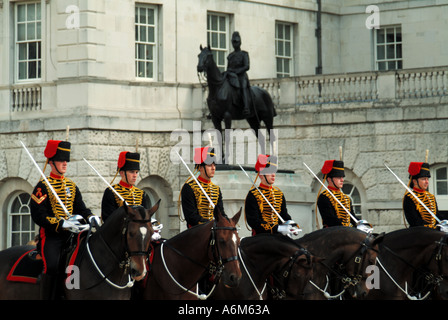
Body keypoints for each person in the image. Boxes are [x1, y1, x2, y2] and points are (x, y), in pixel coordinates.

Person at [30, 140, 98, 299]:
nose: (65, 163)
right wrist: (61, 223)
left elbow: (81, 207)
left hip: (72, 235)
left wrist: (90, 216)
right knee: (52, 266)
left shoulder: (72, 186)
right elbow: (38, 215)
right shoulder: (43, 186)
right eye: (61, 160)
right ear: (51, 162)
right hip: (52, 236)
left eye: (66, 160)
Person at [245, 154, 300, 237]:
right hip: (261, 236)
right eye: (270, 172)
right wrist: (278, 228)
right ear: (261, 175)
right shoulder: (253, 195)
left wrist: (292, 226)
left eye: (274, 171)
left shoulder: (279, 193)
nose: (273, 175)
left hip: (279, 236)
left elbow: (284, 215)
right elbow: (253, 221)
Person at [180, 147, 226, 228]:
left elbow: (221, 213)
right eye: (209, 165)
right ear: (200, 167)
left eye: (214, 165)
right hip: (196, 231)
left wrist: (227, 222)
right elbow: (191, 217)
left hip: (214, 229)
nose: (213, 168)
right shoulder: (189, 188)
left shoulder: (216, 189)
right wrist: (210, 223)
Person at [101, 151, 150, 222]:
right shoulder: (111, 192)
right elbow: (108, 219)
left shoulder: (141, 194)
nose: (135, 175)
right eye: (132, 172)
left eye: (136, 172)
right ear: (122, 173)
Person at [317, 160, 356, 228]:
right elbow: (330, 220)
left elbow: (352, 217)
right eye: (338, 177)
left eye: (342, 177)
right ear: (329, 179)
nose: (342, 180)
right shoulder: (324, 197)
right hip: (332, 232)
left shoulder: (346, 198)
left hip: (348, 230)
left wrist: (360, 224)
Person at [403, 162, 440, 228]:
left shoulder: (431, 197)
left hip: (433, 233)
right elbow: (414, 222)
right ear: (414, 181)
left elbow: (437, 216)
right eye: (423, 179)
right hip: (418, 233)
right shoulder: (409, 197)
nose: (427, 182)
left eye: (427, 179)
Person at [226, 31, 251, 116]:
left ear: (240, 42)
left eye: (236, 42)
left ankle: (246, 107)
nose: (235, 44)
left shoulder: (244, 54)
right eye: (233, 42)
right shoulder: (230, 56)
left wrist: (237, 71)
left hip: (241, 76)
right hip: (232, 76)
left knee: (243, 87)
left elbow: (247, 66)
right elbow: (228, 67)